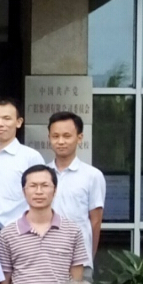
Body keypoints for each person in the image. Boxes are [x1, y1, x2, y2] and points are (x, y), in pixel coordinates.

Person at [0, 97, 46, 239]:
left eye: (7, 118)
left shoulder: (31, 157)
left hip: (21, 234)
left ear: (18, 122)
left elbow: (42, 197)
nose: (0, 124)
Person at [47, 111, 106, 274]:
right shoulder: (42, 174)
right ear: (49, 138)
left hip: (79, 260)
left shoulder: (92, 176)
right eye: (55, 136)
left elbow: (95, 222)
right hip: (45, 259)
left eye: (67, 136)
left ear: (79, 138)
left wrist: (89, 257)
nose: (61, 141)